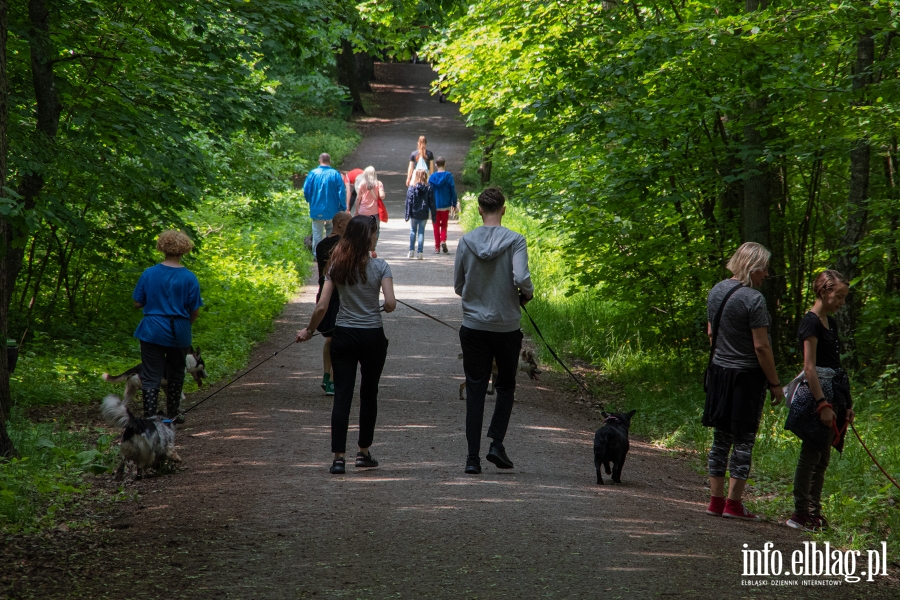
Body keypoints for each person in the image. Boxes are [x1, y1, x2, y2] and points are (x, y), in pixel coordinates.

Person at [296, 215, 396, 475]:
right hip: (372, 336)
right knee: (368, 394)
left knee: (342, 395)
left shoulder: (336, 266)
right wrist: (383, 304)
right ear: (369, 236)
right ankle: (363, 453)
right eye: (375, 233)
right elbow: (391, 304)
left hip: (343, 336)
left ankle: (338, 458)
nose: (376, 237)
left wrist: (309, 330)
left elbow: (322, 306)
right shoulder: (381, 266)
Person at [454, 188, 533, 474]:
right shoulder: (515, 240)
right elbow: (522, 277)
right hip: (506, 325)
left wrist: (475, 297)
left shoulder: (466, 241)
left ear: (478, 210)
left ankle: (472, 459)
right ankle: (496, 443)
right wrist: (525, 294)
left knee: (475, 388)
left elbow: (458, 285)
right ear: (504, 209)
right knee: (506, 386)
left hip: (473, 325)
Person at [703, 242, 783, 521]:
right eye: (764, 269)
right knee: (744, 440)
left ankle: (715, 501)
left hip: (719, 374)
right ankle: (734, 505)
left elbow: (711, 333)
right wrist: (774, 383)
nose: (767, 275)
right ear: (754, 267)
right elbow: (761, 346)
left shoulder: (717, 291)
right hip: (746, 378)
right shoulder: (753, 299)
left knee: (720, 439)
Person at [784, 270, 854, 531]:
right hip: (817, 395)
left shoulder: (831, 323)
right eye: (839, 296)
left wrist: (846, 405)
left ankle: (814, 511)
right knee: (811, 453)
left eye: (844, 297)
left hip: (834, 393)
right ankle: (800, 513)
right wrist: (822, 404)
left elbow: (835, 366)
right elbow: (810, 367)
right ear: (824, 291)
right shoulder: (810, 323)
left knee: (823, 457)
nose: (842, 303)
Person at [132, 230, 203, 423]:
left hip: (152, 329)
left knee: (151, 374)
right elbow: (194, 310)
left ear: (162, 247)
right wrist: (185, 324)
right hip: (179, 329)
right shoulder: (189, 277)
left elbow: (137, 303)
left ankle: (149, 416)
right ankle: (173, 412)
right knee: (176, 371)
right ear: (184, 249)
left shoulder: (149, 273)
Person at [315, 211, 352, 396]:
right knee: (338, 339)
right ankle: (333, 380)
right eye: (348, 224)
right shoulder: (344, 245)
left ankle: (326, 374)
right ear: (339, 223)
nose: (351, 227)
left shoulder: (321, 245)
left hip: (324, 293)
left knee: (331, 337)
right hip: (338, 295)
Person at [303, 153, 347, 257]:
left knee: (317, 233)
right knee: (331, 232)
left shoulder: (313, 173)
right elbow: (341, 192)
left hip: (316, 208)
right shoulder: (335, 174)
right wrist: (343, 206)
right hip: (333, 209)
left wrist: (309, 200)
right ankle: (329, 253)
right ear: (329, 161)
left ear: (319, 160)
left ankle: (317, 255)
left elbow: (306, 189)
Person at [353, 166, 385, 257]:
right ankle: (372, 248)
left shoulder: (362, 184)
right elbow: (382, 196)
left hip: (363, 212)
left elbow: (358, 198)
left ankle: (363, 248)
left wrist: (356, 211)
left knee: (363, 230)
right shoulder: (378, 183)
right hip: (374, 212)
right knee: (376, 230)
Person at [429, 157, 458, 254]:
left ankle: (437, 248)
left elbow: (429, 192)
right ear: (445, 164)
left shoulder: (432, 177)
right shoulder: (449, 176)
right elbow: (452, 190)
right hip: (445, 205)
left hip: (434, 205)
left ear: (436, 165)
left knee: (435, 226)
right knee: (444, 225)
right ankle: (443, 240)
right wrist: (454, 203)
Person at [405, 169, 434, 260]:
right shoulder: (429, 187)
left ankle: (411, 251)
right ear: (426, 176)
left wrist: (407, 214)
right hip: (424, 213)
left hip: (414, 213)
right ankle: (420, 252)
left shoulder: (412, 187)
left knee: (413, 231)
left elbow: (409, 201)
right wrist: (434, 214)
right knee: (421, 232)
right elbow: (432, 202)